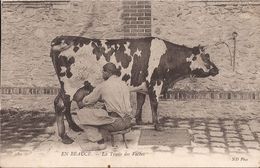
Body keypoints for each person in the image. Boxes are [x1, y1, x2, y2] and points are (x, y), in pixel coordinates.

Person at [76, 62, 133, 149]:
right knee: (102, 112)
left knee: (81, 114)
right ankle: (102, 136)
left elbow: (88, 100)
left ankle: (98, 142)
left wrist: (83, 99)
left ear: (108, 73)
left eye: (103, 72)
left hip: (116, 123)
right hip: (128, 121)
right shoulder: (123, 84)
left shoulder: (103, 85)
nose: (102, 74)